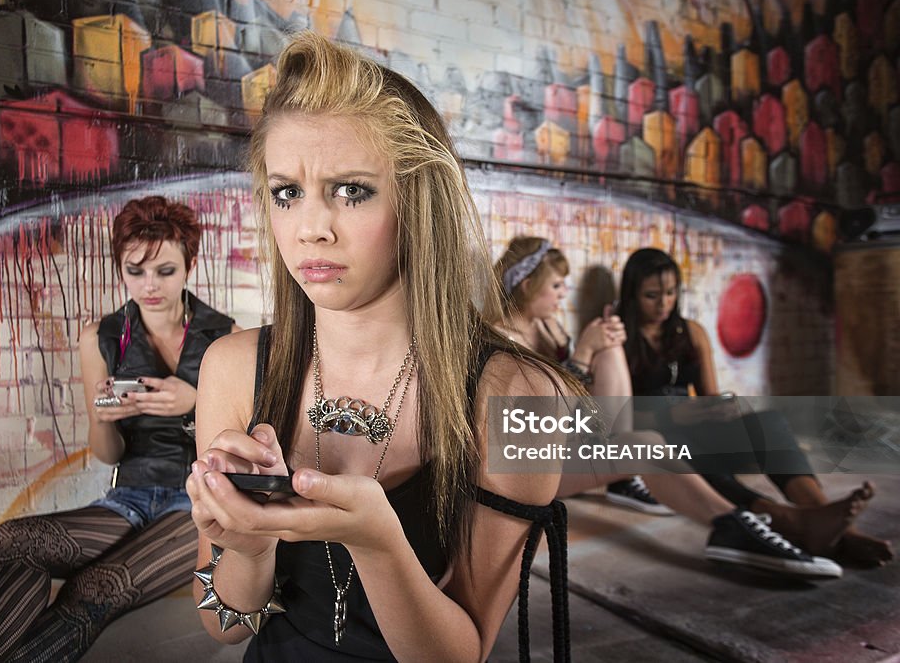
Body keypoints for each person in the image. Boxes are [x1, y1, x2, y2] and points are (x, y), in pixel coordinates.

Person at [186, 32, 576, 662]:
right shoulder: (233, 368)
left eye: (351, 190)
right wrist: (249, 547)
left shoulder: (517, 396)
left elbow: (462, 654)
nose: (311, 228)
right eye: (287, 192)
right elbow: (224, 626)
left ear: (417, 201)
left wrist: (376, 541)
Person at [0, 196, 238, 662]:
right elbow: (108, 456)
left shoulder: (225, 337)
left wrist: (195, 401)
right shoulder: (99, 337)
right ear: (120, 268)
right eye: (135, 271)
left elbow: (237, 446)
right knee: (14, 539)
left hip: (197, 499)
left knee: (99, 586)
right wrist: (101, 417)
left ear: (189, 265)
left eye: (164, 271)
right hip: (130, 496)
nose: (149, 285)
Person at [491, 236, 843, 577]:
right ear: (526, 286)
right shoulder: (501, 338)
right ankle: (736, 524)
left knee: (618, 366)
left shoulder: (548, 328)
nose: (563, 294)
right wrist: (581, 354)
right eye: (556, 286)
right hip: (530, 466)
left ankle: (731, 524)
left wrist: (597, 347)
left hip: (574, 446)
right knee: (649, 443)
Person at [621, 247, 894, 567]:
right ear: (632, 294)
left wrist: (719, 408)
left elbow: (710, 395)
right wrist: (672, 414)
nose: (664, 303)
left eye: (670, 293)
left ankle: (826, 516)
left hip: (696, 425)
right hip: (656, 437)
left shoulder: (690, 332)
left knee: (768, 423)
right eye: (652, 295)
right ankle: (793, 522)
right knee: (694, 457)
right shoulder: (619, 338)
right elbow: (615, 416)